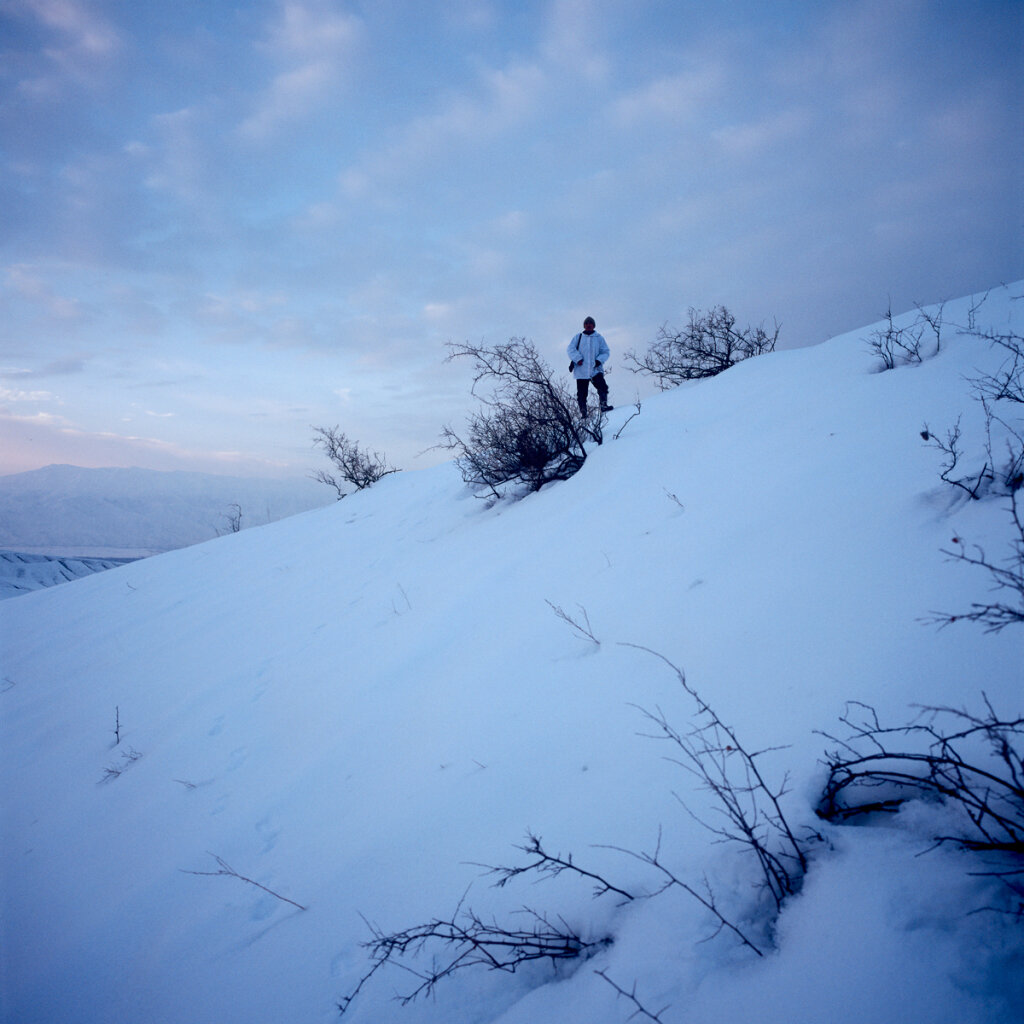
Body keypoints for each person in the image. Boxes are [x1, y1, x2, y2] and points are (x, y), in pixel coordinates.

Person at [567, 316, 613, 416]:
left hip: (595, 369)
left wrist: (599, 360)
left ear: (593, 325)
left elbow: (605, 351)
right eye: (586, 324)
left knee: (603, 387)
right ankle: (583, 411)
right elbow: (570, 349)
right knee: (582, 393)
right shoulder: (578, 337)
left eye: (590, 323)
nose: (588, 325)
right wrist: (577, 359)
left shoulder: (599, 338)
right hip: (581, 370)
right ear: (584, 325)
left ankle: (604, 405)